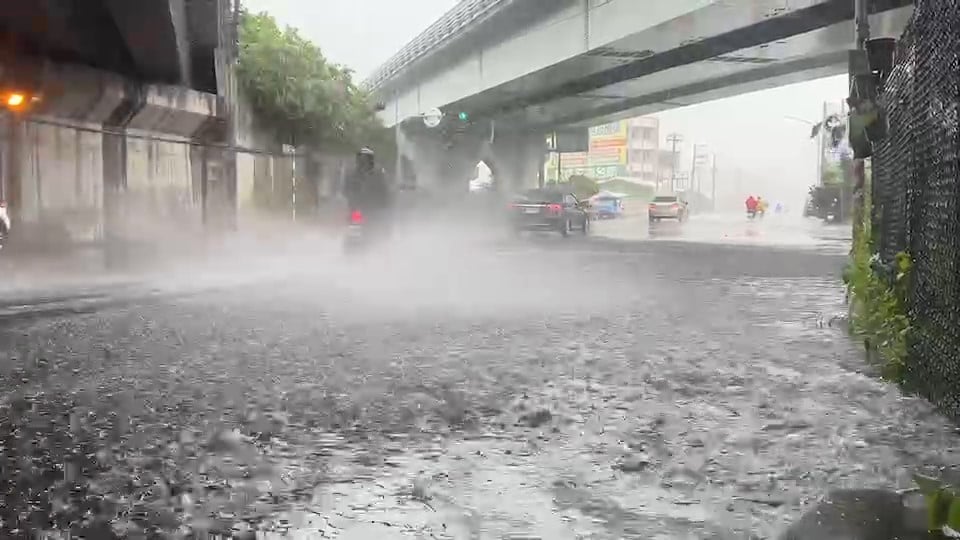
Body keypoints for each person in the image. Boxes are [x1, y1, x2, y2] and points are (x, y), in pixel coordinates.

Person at [343, 147, 393, 230]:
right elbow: (345, 190)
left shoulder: (378, 173)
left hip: (373, 209)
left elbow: (385, 191)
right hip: (359, 209)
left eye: (365, 158)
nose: (363, 161)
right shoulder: (351, 173)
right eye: (361, 159)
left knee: (379, 228)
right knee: (354, 227)